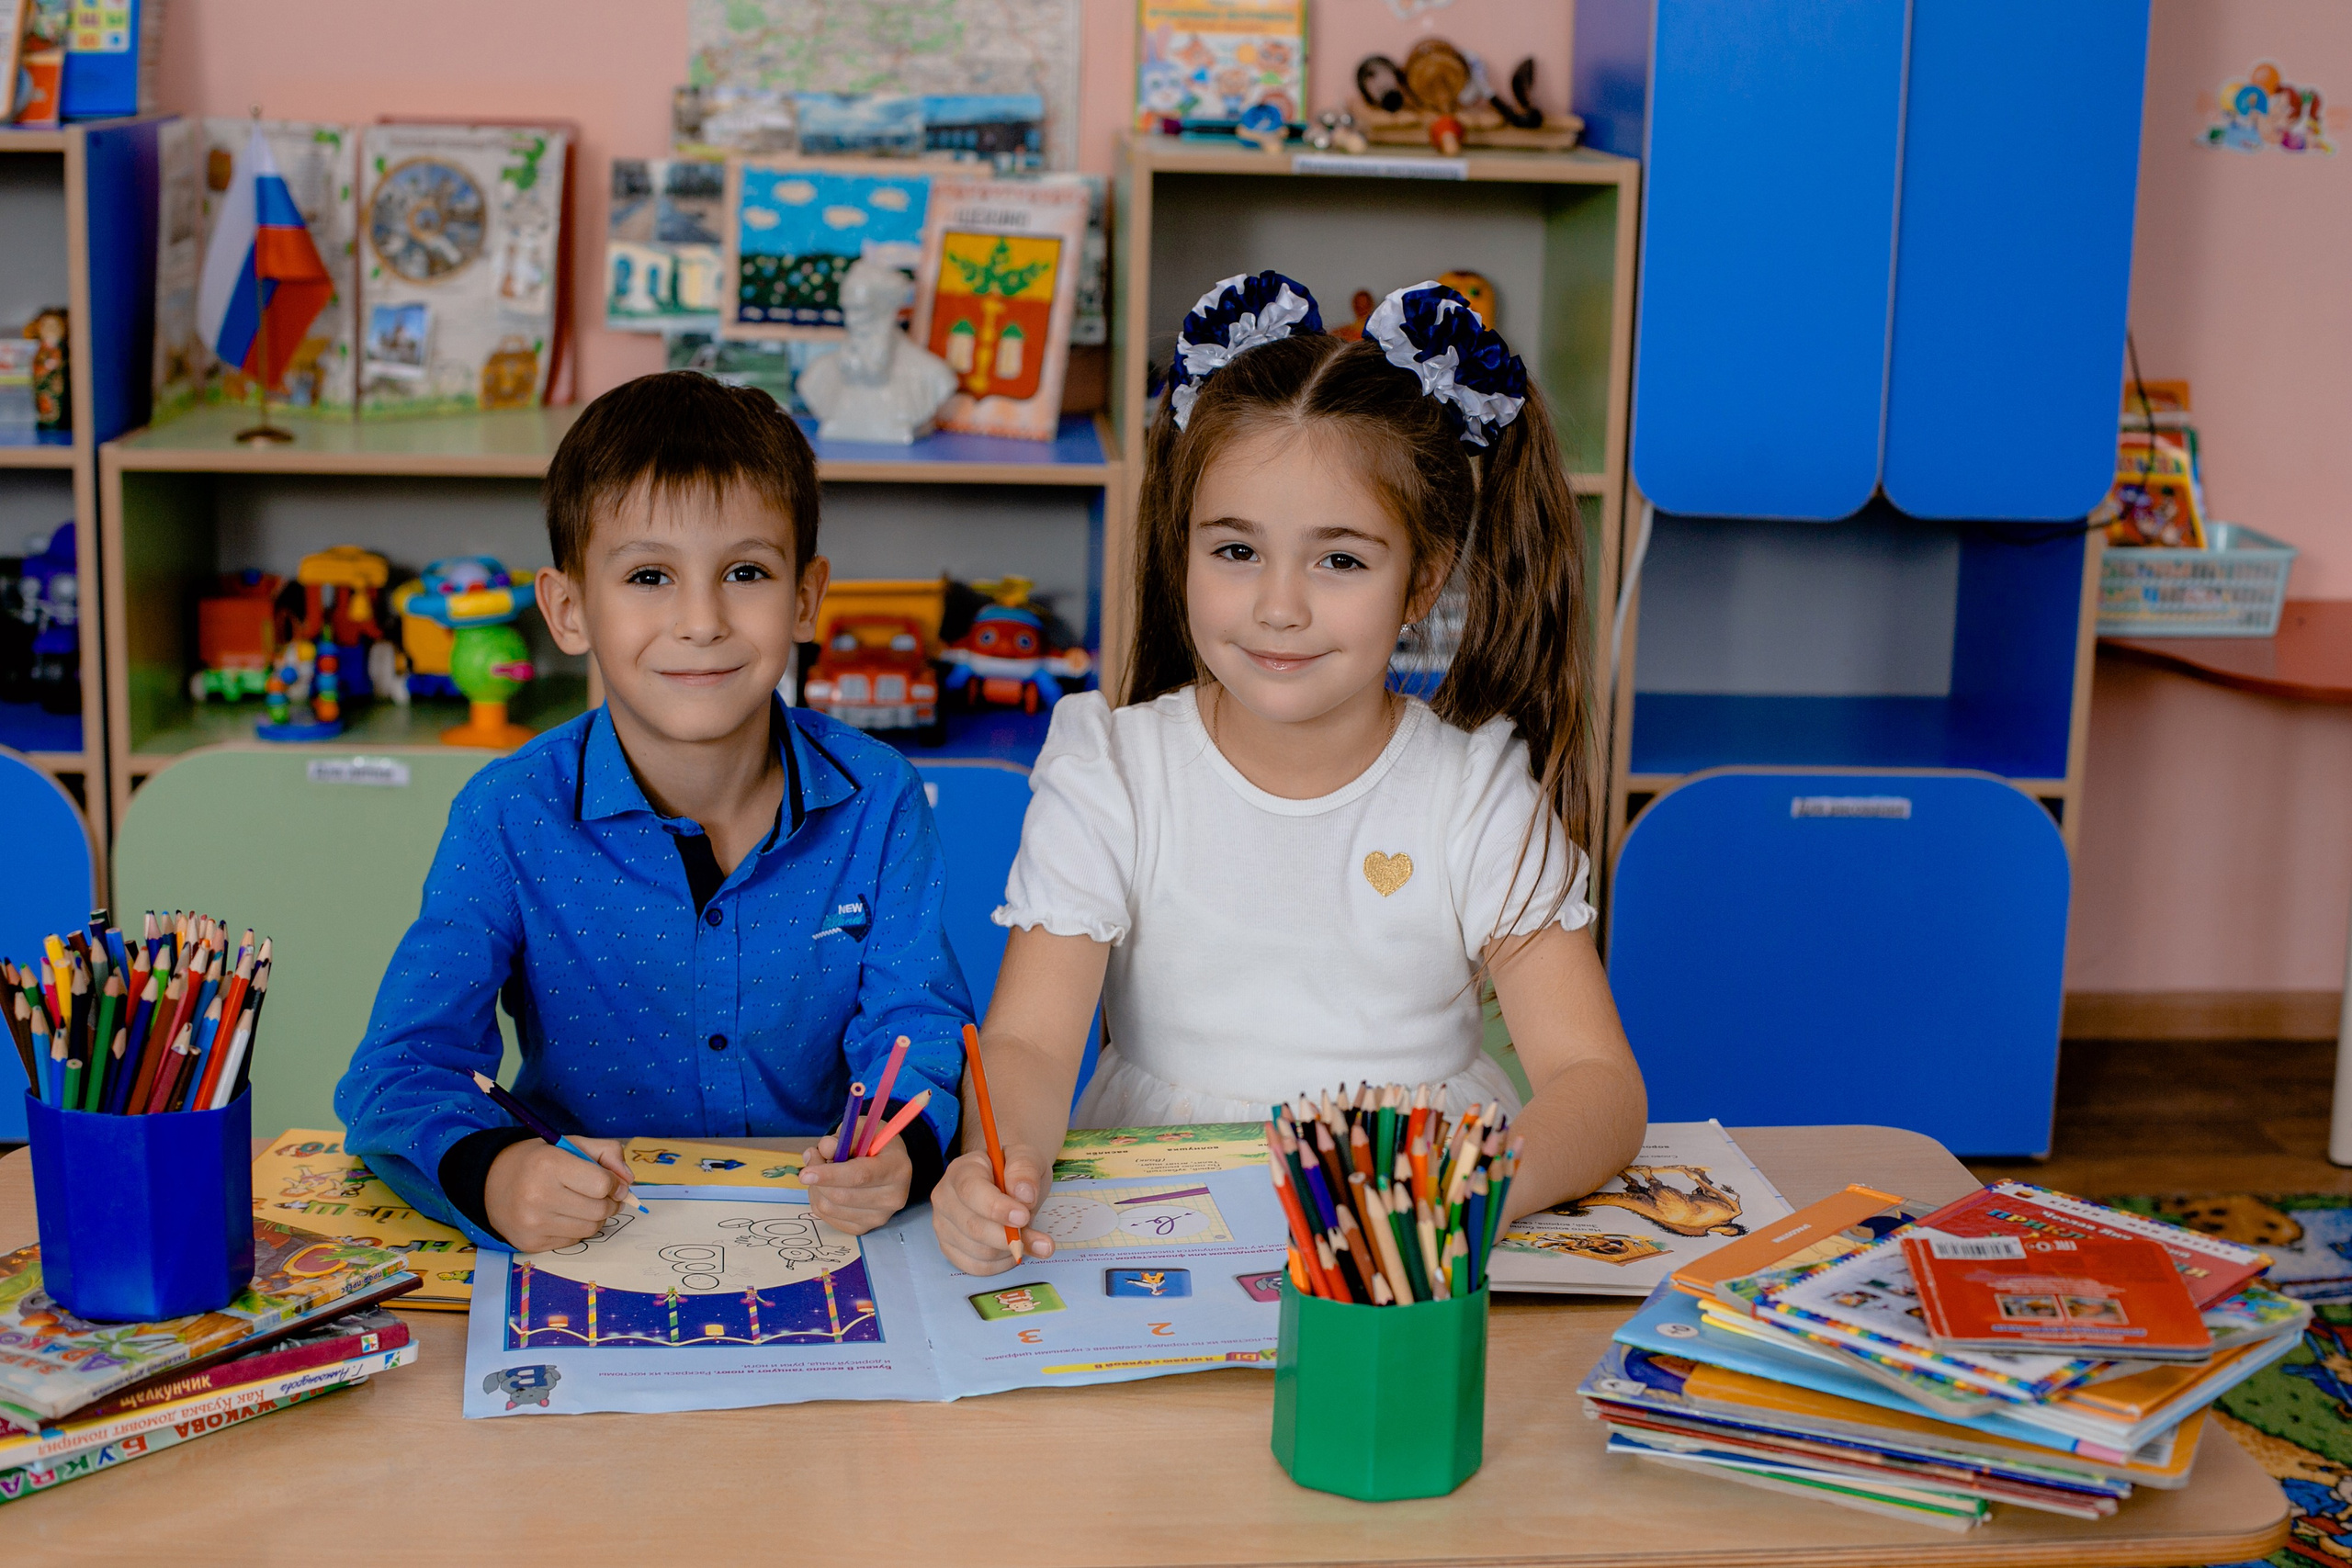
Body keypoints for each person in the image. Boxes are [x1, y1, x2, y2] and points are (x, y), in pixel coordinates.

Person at [933, 273, 1646, 1275]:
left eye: (1339, 561)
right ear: (1182, 547)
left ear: (1423, 578)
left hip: (1415, 1232)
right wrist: (996, 1163)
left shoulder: (1474, 792)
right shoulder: (1114, 772)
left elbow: (1595, 1079)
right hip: (1160, 1214)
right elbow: (1031, 1047)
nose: (1279, 606)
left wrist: (1474, 1190)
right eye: (1236, 550)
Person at [337, 371, 971, 1254]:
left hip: (822, 1234)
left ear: (805, 596)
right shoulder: (508, 815)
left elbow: (921, 1030)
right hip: (584, 1241)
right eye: (648, 575)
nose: (701, 620)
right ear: (568, 610)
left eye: (745, 572)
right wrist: (495, 1172)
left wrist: (901, 1151)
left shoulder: (880, 796)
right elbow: (400, 1071)